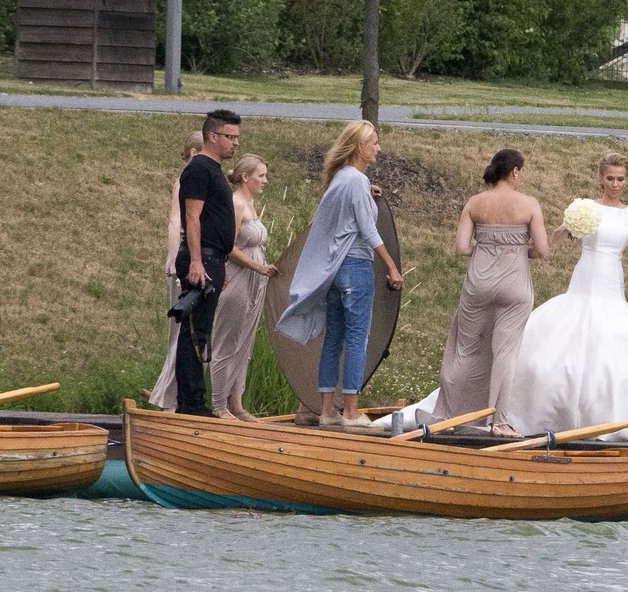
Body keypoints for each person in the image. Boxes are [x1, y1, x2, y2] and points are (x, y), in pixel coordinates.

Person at [506, 152, 628, 443]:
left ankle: (610, 415)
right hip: (585, 276)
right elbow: (560, 234)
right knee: (569, 334)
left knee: (615, 338)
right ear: (600, 179)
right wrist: (533, 250)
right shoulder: (587, 207)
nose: (615, 184)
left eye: (620, 179)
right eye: (610, 178)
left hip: (611, 280)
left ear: (627, 180)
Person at [276, 120, 404, 428]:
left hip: (332, 272)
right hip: (355, 267)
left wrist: (365, 191)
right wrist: (391, 266)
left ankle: (327, 411)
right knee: (357, 338)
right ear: (360, 146)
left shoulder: (341, 180)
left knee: (333, 339)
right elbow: (367, 231)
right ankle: (350, 411)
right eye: (374, 142)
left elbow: (341, 216)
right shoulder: (355, 182)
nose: (378, 148)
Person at [429, 148, 549, 437]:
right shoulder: (529, 204)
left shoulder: (475, 202)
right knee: (505, 353)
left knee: (465, 348)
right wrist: (518, 251)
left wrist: (486, 247)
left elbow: (461, 248)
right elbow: (542, 251)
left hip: (478, 283)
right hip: (515, 285)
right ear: (516, 171)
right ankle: (499, 421)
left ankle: (450, 415)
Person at [174, 109, 241, 417]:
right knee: (193, 333)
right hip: (201, 259)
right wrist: (198, 262)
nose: (235, 143)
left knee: (202, 331)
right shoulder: (199, 169)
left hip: (214, 259)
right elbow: (192, 217)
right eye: (231, 137)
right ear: (213, 137)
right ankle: (191, 404)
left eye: (237, 138)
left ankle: (195, 401)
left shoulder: (213, 170)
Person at [209, 154, 279, 421]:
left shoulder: (250, 203)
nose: (265, 180)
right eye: (260, 175)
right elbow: (228, 246)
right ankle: (218, 406)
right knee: (227, 341)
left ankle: (236, 403)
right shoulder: (236, 203)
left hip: (255, 281)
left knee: (244, 343)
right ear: (245, 176)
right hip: (238, 277)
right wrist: (256, 266)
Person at [149, 131, 203, 412]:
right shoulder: (184, 181)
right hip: (182, 260)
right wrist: (173, 261)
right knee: (179, 331)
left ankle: (180, 396)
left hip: (199, 258)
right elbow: (174, 221)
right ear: (194, 152)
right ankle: (167, 398)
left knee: (194, 332)